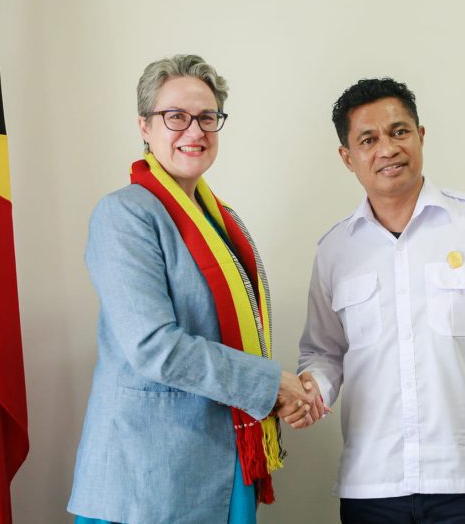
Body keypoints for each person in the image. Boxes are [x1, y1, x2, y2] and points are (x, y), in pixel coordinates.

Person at [68, 55, 321, 524]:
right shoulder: (124, 214)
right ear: (145, 126)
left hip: (223, 464)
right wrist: (270, 385)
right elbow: (154, 347)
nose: (195, 130)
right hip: (147, 478)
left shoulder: (221, 220)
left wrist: (285, 394)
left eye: (207, 117)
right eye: (176, 116)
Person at [297, 78, 465, 524]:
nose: (387, 149)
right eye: (368, 139)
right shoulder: (334, 251)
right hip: (372, 488)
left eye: (399, 131)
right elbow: (323, 353)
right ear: (347, 157)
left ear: (420, 135)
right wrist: (311, 391)